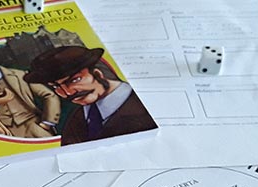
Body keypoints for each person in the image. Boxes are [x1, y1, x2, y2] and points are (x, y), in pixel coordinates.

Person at [23, 46, 158, 146]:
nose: (67, 93)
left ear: (98, 74)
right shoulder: (76, 119)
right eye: (55, 87)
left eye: (75, 80)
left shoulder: (145, 107)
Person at [0, 46, 60, 139]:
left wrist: (47, 123)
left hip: (34, 125)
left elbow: (49, 95)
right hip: (5, 133)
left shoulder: (20, 75)